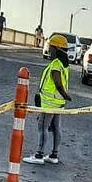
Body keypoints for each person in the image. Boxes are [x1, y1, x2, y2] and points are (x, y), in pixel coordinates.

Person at [25, 34, 71, 165]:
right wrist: (64, 96)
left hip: (49, 102)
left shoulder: (56, 64)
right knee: (57, 128)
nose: (49, 49)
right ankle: (54, 155)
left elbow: (58, 83)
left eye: (50, 47)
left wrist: (65, 94)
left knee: (43, 127)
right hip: (58, 102)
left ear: (56, 48)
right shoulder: (64, 64)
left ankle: (39, 155)